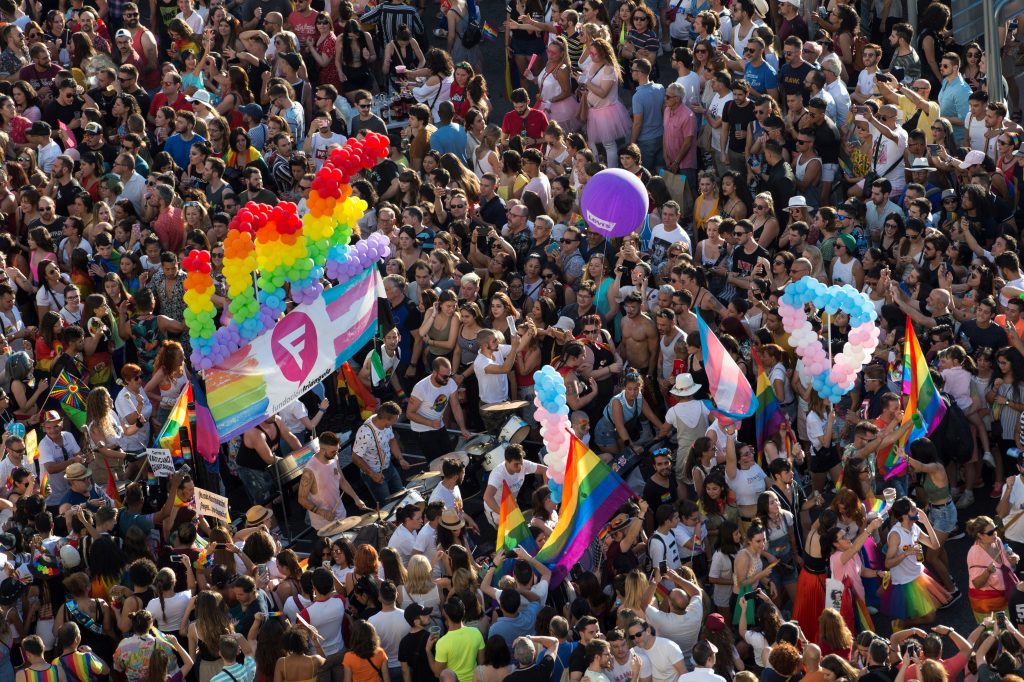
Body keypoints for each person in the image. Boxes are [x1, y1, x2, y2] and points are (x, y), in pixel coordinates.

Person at [297, 430, 367, 533]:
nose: (337, 453)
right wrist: (322, 512)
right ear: (322, 449)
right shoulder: (310, 470)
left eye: (338, 449)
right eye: (333, 451)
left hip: (340, 514)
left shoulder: (334, 458)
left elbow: (342, 480)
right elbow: (302, 499)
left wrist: (356, 498)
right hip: (324, 523)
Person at [351, 401, 411, 505]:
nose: (395, 423)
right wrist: (372, 474)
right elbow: (355, 457)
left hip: (389, 467)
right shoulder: (365, 433)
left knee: (402, 496)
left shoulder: (385, 423)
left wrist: (400, 458)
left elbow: (392, 440)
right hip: (375, 474)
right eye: (394, 420)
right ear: (386, 420)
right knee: (387, 506)